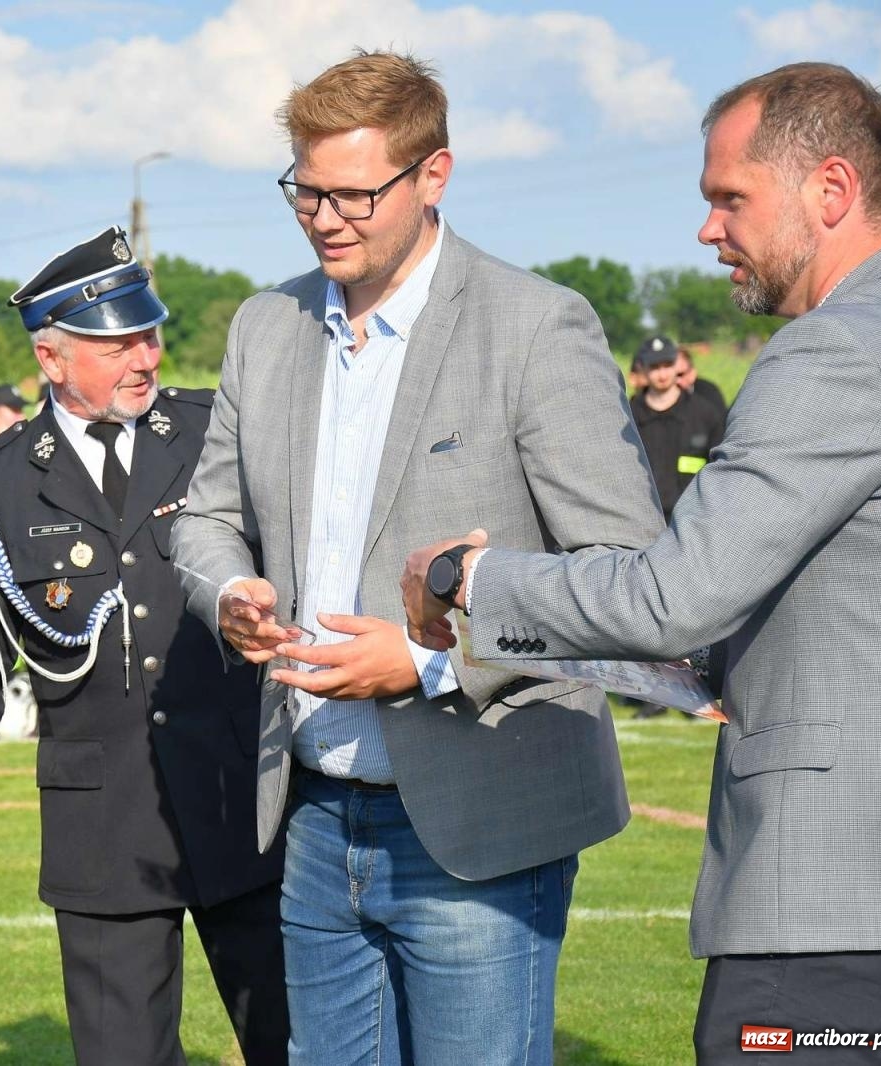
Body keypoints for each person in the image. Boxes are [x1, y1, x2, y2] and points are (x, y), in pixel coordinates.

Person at [402, 62, 881, 1066]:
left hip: (830, 908)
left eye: (729, 198)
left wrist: (470, 581)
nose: (706, 229)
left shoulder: (833, 353)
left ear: (832, 191)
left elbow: (676, 597)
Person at [170, 52, 663, 1064]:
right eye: (303, 191)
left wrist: (431, 659)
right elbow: (204, 517)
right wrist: (227, 590)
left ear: (432, 174)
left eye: (353, 194)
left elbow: (624, 573)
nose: (322, 217)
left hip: (482, 821)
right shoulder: (264, 326)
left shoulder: (534, 325)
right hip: (310, 816)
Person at [0, 226, 289, 1066]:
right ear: (51, 358)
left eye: (149, 333)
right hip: (103, 826)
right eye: (118, 341)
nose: (145, 356)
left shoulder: (215, 433)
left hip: (245, 806)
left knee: (304, 1046)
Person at [630, 335, 726, 521]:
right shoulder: (630, 417)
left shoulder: (704, 414)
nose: (662, 374)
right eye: (655, 367)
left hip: (693, 519)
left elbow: (721, 469)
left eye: (667, 365)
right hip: (642, 520)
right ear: (643, 369)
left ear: (676, 365)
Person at [674, 345, 729, 416]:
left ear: (692, 373)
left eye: (680, 375)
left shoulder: (709, 394)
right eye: (671, 376)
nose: (676, 381)